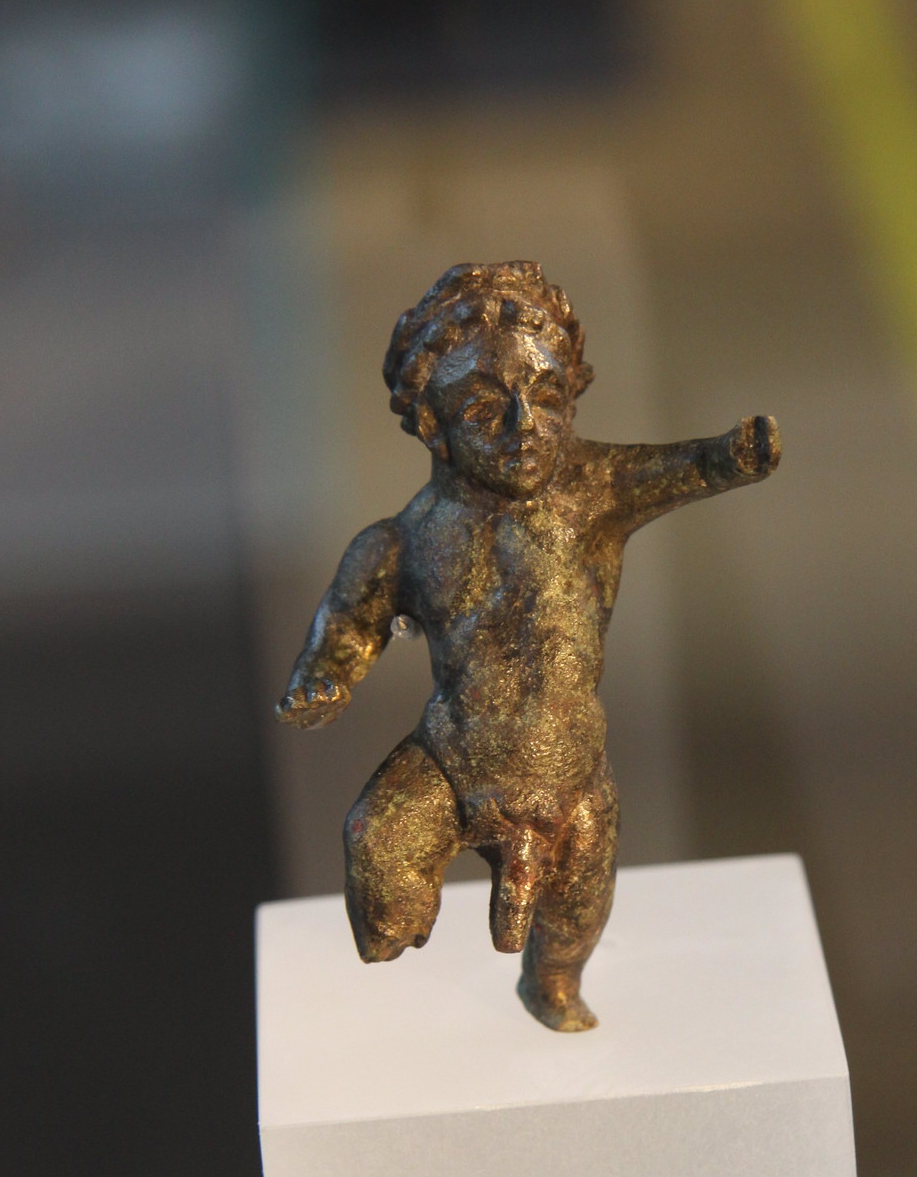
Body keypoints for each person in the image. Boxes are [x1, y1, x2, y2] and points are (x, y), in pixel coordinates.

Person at [278, 260, 780, 1030]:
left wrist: (729, 456)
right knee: (374, 841)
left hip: (568, 772)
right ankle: (394, 956)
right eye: (485, 409)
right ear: (433, 425)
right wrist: (325, 676)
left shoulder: (596, 487)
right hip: (450, 761)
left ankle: (549, 983)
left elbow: (683, 468)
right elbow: (348, 622)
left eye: (545, 397)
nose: (523, 427)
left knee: (574, 915)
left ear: (571, 397)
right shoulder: (402, 541)